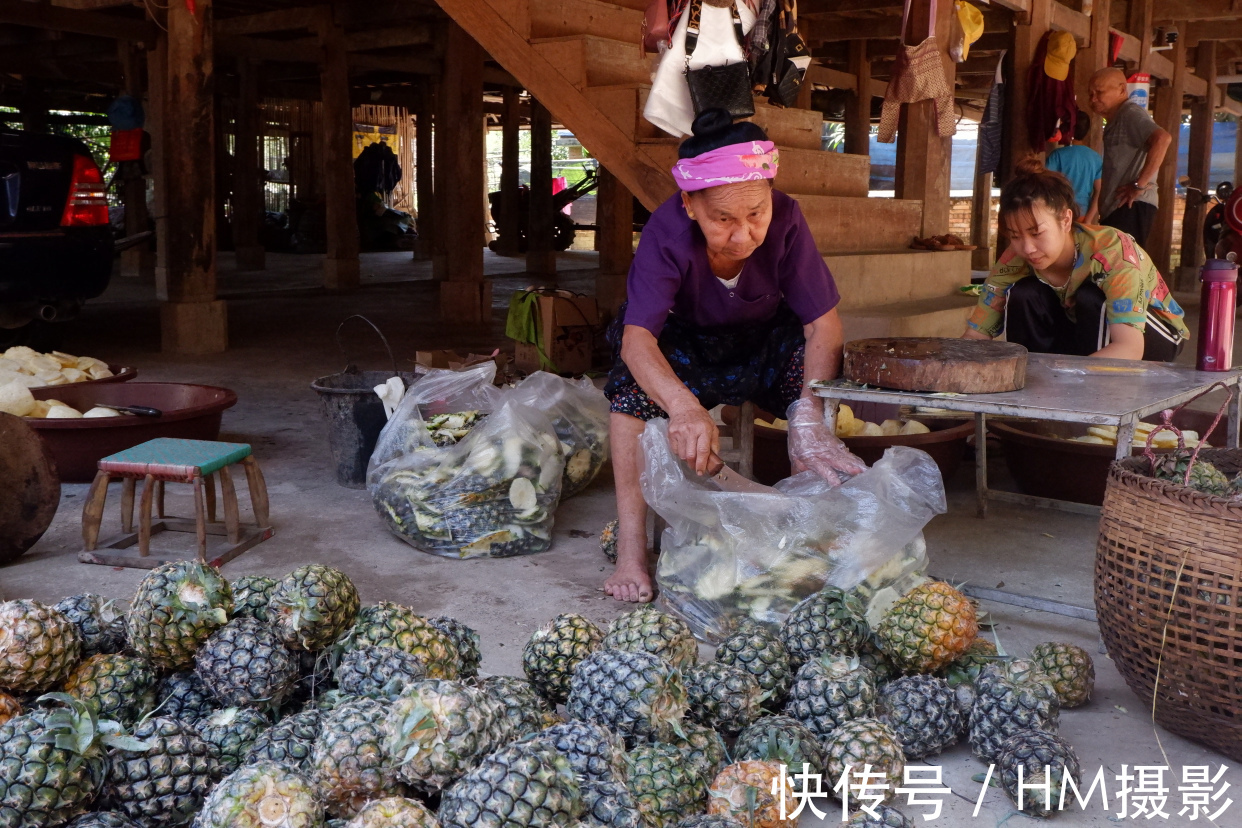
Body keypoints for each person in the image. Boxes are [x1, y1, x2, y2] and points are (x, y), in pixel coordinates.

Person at [603, 109, 865, 603]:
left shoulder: (788, 218)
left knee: (814, 383)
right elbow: (638, 339)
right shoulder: (666, 232)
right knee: (629, 397)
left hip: (759, 343)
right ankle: (631, 552)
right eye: (723, 220)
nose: (743, 235)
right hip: (683, 347)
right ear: (690, 205)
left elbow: (822, 324)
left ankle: (807, 536)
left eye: (755, 215)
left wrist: (808, 415)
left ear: (770, 196)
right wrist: (683, 407)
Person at [963, 159, 1187, 361]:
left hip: (1151, 336)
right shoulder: (1014, 259)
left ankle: (1083, 391)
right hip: (1082, 335)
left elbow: (1129, 348)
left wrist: (1062, 379)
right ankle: (1031, 378)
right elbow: (976, 334)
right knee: (1024, 293)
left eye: (1036, 233)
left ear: (1065, 220)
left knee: (1091, 297)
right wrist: (950, 364)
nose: (1027, 248)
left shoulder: (1111, 251)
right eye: (1014, 236)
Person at [1088, 67, 1172, 247]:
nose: (1093, 99)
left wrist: (1139, 185)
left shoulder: (1130, 113)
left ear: (1121, 89)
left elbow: (1162, 139)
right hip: (1121, 208)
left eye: (1100, 92)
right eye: (1091, 94)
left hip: (1130, 205)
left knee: (1123, 262)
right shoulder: (1118, 118)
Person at [1045, 110, 1102, 223]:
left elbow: (1045, 185)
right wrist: (1088, 219)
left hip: (1059, 215)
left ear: (1067, 129)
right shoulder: (1095, 157)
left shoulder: (1057, 155)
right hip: (1083, 216)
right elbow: (1099, 192)